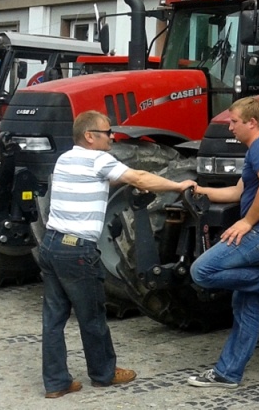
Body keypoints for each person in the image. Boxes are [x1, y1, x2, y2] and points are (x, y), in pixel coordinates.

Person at [40, 110, 196, 399]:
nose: (111, 136)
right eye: (106, 132)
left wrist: (122, 180)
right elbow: (140, 177)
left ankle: (56, 382)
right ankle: (103, 373)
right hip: (77, 251)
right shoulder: (98, 159)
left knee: (53, 319)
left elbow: (100, 181)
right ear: (89, 136)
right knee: (93, 317)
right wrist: (178, 185)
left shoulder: (66, 158)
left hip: (51, 245)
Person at [186, 96, 259, 389]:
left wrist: (247, 222)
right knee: (243, 305)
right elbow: (237, 193)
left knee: (201, 271)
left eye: (234, 122)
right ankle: (228, 373)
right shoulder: (258, 150)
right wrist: (201, 190)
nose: (230, 127)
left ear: (252, 122)